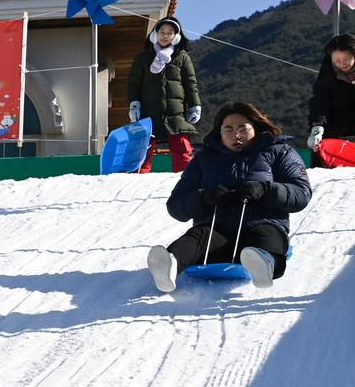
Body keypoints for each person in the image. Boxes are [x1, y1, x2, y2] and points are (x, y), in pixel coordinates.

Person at [147, 101, 310, 292]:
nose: (236, 135)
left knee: (267, 236)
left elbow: (301, 193)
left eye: (242, 128)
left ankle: (264, 263)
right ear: (220, 133)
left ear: (255, 127)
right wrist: (204, 198)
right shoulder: (204, 160)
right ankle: (169, 265)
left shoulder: (278, 152)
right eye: (228, 129)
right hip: (216, 229)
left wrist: (265, 190)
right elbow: (176, 206)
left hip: (262, 222)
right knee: (197, 238)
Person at [125, 16, 202, 172]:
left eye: (170, 32)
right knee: (143, 148)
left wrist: (195, 105)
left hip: (176, 113)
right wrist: (134, 104)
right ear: (155, 34)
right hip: (149, 111)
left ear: (176, 37)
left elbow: (190, 84)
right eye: (162, 32)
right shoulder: (142, 58)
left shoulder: (182, 57)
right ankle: (140, 176)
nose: (165, 35)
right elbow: (133, 84)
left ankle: (185, 177)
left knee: (181, 146)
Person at [305, 32, 355, 162]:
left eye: (347, 59)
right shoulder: (328, 68)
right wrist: (317, 125)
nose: (342, 64)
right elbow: (320, 97)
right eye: (337, 61)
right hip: (336, 116)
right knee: (322, 148)